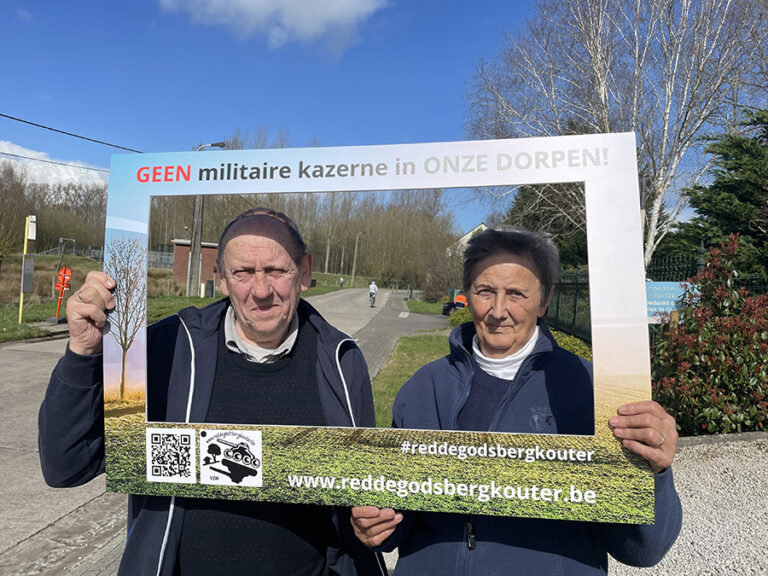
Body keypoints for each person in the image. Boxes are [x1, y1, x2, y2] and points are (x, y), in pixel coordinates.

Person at [38, 208, 386, 576]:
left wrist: (370, 525)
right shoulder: (163, 351)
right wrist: (83, 354)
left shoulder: (342, 361)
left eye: (276, 270)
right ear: (220, 278)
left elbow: (361, 498)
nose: (262, 291)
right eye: (243, 272)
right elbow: (67, 465)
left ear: (305, 272)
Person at [350, 228, 682, 575]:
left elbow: (643, 549)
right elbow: (399, 515)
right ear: (467, 294)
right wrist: (378, 524)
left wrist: (653, 470)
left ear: (545, 300)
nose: (498, 310)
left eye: (516, 294)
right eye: (485, 291)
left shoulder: (593, 392)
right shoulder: (423, 386)